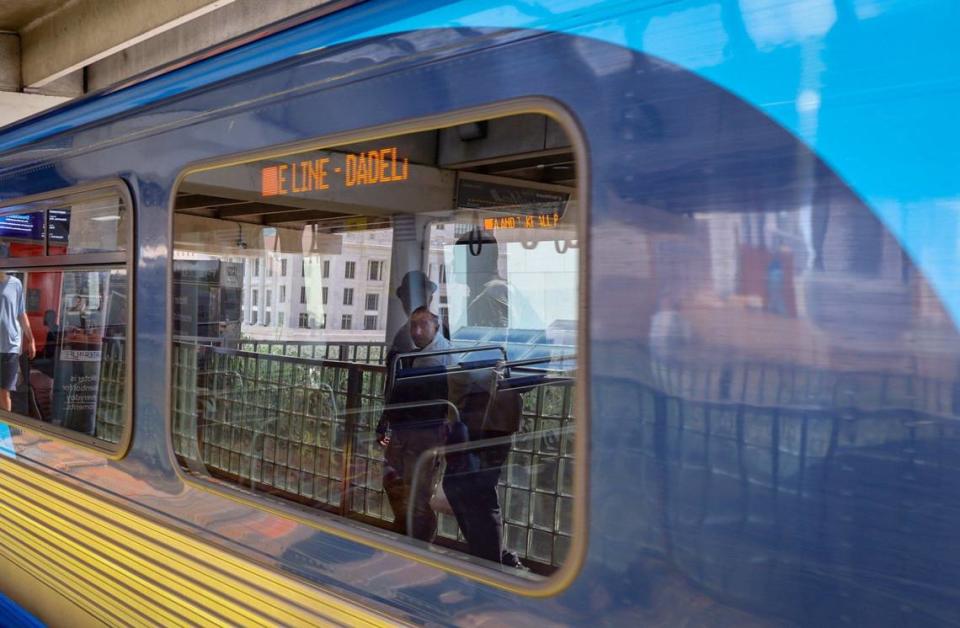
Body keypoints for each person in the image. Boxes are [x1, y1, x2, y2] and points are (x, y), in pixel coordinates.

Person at [443, 229, 523, 566]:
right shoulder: (490, 294)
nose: (456, 268)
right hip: (485, 412)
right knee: (465, 488)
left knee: (472, 490)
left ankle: (490, 565)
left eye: (460, 260)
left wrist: (452, 386)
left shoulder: (492, 294)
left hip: (485, 413)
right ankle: (490, 557)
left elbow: (489, 357)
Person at [380, 306, 454, 541]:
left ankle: (416, 541)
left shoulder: (441, 356)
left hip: (426, 431)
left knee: (417, 492)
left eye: (423, 325)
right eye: (414, 325)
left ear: (436, 326)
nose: (417, 330)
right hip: (407, 428)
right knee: (397, 482)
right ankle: (405, 531)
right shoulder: (415, 353)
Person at [0, 272, 35, 412]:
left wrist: (31, 339)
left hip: (10, 347)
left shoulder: (15, 284)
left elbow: (21, 313)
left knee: (4, 392)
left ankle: (3, 430)